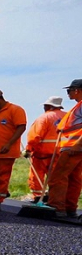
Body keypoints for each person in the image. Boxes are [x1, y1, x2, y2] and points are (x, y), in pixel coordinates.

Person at [47, 79, 82, 218]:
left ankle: (56, 207)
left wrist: (78, 144)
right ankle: (69, 208)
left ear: (77, 90)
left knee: (58, 177)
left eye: (69, 91)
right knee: (74, 179)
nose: (68, 94)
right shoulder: (78, 106)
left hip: (73, 147)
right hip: (75, 148)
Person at [24, 96, 66, 203]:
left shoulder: (45, 117)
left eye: (45, 105)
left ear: (49, 106)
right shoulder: (68, 116)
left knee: (36, 175)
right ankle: (54, 198)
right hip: (61, 153)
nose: (44, 107)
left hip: (41, 153)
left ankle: (38, 197)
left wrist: (28, 149)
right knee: (56, 177)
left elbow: (35, 136)